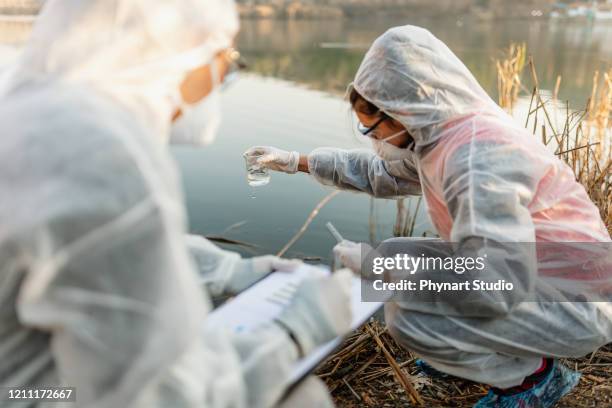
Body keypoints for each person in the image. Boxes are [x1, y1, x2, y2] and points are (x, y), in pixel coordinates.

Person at [0, 1, 354, 407]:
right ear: (178, 50)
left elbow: (85, 254)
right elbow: (163, 396)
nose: (224, 76)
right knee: (303, 399)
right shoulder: (100, 156)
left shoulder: (30, 110)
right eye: (225, 59)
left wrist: (223, 270)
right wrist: (295, 332)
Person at [246, 25, 612, 407]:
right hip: (538, 273)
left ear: (404, 110)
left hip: (575, 302)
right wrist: (294, 161)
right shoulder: (440, 134)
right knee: (392, 256)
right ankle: (482, 349)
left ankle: (531, 380)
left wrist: (380, 270)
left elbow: (495, 288)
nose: (370, 136)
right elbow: (381, 173)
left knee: (408, 320)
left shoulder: (477, 161)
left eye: (372, 126)